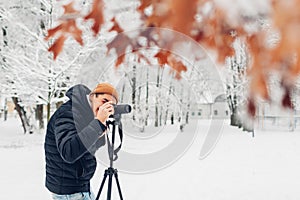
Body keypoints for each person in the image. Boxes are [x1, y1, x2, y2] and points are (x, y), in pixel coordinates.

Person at [44, 83, 118, 200]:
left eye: (110, 105)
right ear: (93, 96)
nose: (105, 107)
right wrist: (97, 124)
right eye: (104, 101)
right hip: (69, 192)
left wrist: (98, 134)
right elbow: (69, 152)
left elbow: (84, 148)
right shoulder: (69, 113)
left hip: (79, 185)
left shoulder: (85, 113)